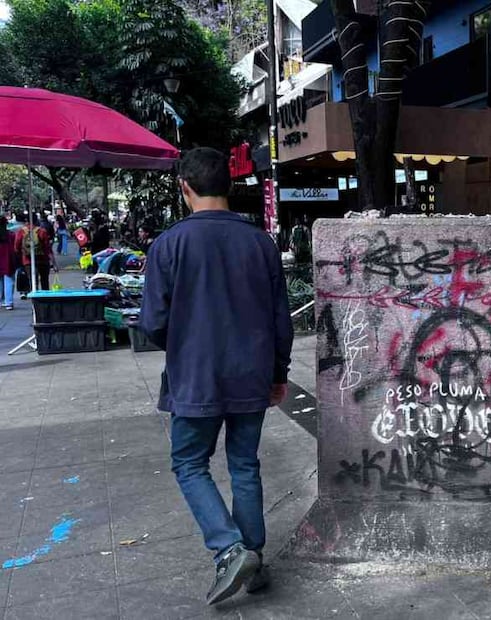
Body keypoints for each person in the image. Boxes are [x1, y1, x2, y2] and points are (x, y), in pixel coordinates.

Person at [140, 148, 293, 606]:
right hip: (252, 374)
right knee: (244, 464)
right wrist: (279, 373)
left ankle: (229, 549)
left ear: (184, 186)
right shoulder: (261, 243)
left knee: (189, 463)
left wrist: (185, 342)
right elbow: (280, 320)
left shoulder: (169, 244)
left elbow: (153, 322)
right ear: (228, 184)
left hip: (195, 375)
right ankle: (253, 559)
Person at [13, 213, 57, 292]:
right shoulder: (42, 231)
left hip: (27, 261)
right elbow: (48, 248)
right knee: (44, 282)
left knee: (33, 282)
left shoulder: (21, 232)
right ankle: (45, 297)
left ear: (26, 221)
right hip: (43, 260)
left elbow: (16, 247)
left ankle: (34, 297)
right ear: (36, 220)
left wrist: (22, 255)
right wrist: (54, 263)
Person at [0, 216, 15, 310]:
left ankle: (1, 301)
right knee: (9, 281)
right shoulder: (10, 235)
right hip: (8, 260)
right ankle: (8, 302)